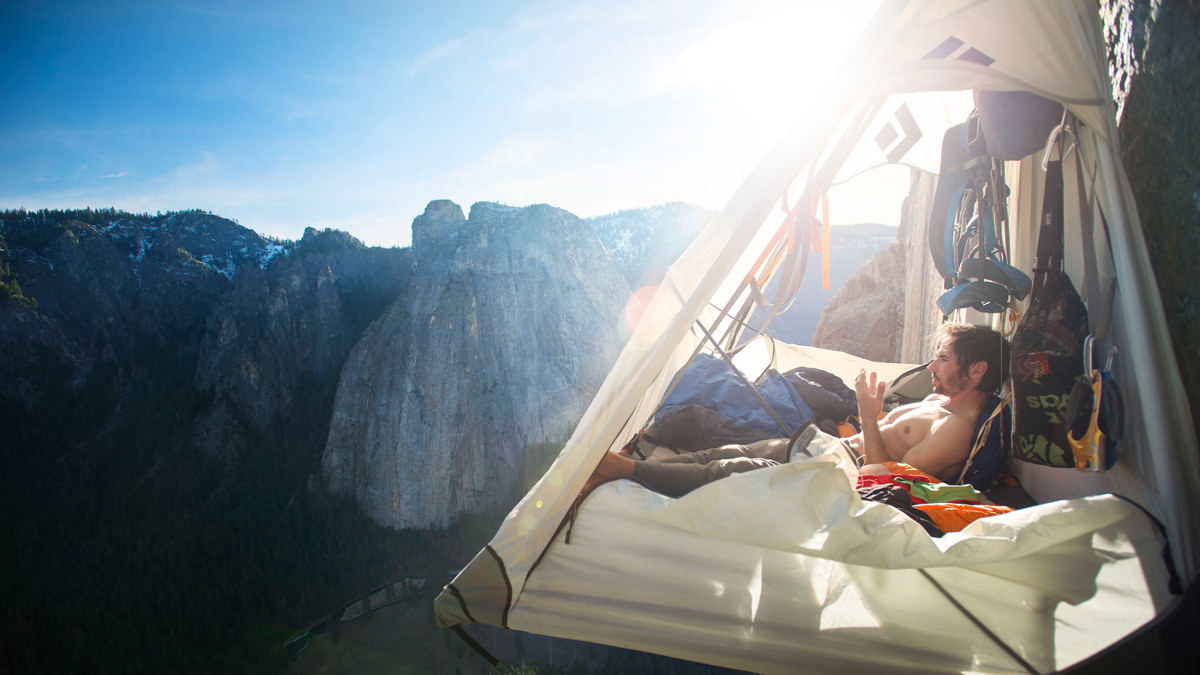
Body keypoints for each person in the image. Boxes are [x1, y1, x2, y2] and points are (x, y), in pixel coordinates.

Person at [586, 323, 1010, 497]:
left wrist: (867, 411)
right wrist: (868, 414)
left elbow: (884, 481)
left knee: (730, 472)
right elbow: (887, 440)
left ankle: (620, 471)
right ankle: (621, 466)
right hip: (826, 446)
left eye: (943, 360)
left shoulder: (956, 430)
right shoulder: (938, 400)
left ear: (976, 371)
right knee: (724, 452)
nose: (933, 367)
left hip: (839, 471)